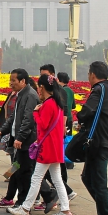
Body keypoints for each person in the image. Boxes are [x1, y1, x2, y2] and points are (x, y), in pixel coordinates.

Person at [7, 74, 72, 215]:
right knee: (57, 178)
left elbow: (42, 124)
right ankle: (65, 210)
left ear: (42, 87)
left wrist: (36, 112)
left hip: (47, 147)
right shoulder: (57, 103)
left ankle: (25, 208)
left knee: (36, 177)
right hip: (55, 146)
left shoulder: (48, 104)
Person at [0, 69, 43, 209]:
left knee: (24, 173)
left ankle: (23, 202)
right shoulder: (20, 94)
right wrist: (1, 131)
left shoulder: (30, 96)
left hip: (26, 141)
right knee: (18, 169)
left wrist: (20, 138)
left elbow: (28, 120)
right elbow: (13, 118)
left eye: (14, 80)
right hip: (18, 140)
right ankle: (43, 197)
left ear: (22, 81)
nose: (11, 83)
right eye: (10, 80)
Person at [79, 61, 108, 215]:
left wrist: (80, 117)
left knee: (98, 181)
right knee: (87, 177)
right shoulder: (105, 90)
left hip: (101, 143)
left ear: (93, 74)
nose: (88, 77)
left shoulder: (99, 90)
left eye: (88, 73)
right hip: (101, 142)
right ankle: (107, 210)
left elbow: (86, 111)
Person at [39, 65, 75, 202]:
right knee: (54, 174)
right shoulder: (53, 98)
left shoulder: (57, 96)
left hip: (52, 137)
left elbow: (64, 111)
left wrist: (36, 113)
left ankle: (27, 206)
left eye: (45, 76)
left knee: (42, 175)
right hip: (53, 136)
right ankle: (65, 201)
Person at [58, 71, 76, 169]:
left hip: (63, 118)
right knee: (68, 139)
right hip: (70, 118)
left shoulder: (61, 91)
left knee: (62, 140)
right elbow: (73, 105)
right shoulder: (71, 91)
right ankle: (69, 161)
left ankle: (64, 159)